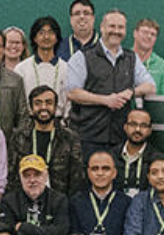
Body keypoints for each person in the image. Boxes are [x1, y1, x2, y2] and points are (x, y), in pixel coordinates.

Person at [64, 9, 156, 159]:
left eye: (120, 27)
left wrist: (131, 92)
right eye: (112, 26)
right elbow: (72, 92)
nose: (116, 31)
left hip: (120, 138)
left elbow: (150, 86)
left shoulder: (131, 58)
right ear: (102, 27)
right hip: (88, 137)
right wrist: (106, 100)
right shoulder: (82, 56)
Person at [0, 155, 69, 235]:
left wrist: (25, 228)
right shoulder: (9, 201)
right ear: (20, 178)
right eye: (27, 176)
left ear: (46, 176)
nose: (32, 180)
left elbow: (60, 234)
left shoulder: (59, 200)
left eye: (37, 174)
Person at [71, 150, 133, 235]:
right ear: (88, 173)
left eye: (105, 169)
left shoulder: (126, 203)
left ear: (114, 173)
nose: (100, 173)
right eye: (95, 169)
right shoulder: (76, 201)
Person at [9, 86, 81, 194]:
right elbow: (12, 174)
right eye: (38, 103)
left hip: (59, 201)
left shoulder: (69, 138)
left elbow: (76, 178)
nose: (43, 107)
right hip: (25, 199)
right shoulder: (19, 136)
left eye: (48, 103)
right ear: (31, 108)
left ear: (56, 107)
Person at [20, 17, 67, 112]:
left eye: (51, 32)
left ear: (57, 38)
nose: (46, 37)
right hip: (29, 123)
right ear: (34, 38)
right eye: (41, 33)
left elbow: (69, 104)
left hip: (59, 123)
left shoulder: (66, 68)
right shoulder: (22, 68)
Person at [112, 108, 156, 196]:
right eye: (133, 124)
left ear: (150, 130)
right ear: (125, 127)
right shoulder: (110, 157)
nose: (138, 129)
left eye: (143, 125)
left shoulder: (157, 160)